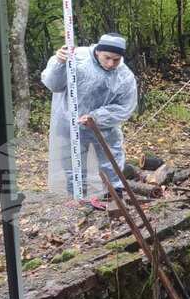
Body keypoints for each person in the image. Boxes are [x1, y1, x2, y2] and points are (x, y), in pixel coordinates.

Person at [41, 33, 137, 199]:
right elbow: (53, 85)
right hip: (68, 122)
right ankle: (77, 193)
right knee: (71, 159)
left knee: (111, 157)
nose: (111, 64)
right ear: (98, 51)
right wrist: (59, 64)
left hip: (104, 127)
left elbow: (125, 106)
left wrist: (96, 117)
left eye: (116, 60)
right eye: (107, 58)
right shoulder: (75, 57)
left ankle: (113, 194)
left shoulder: (124, 76)